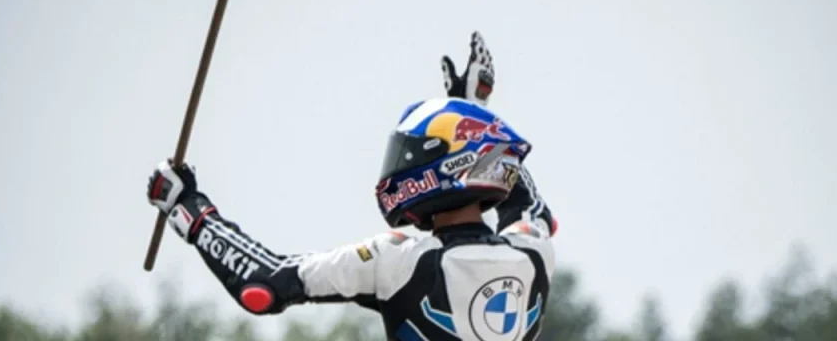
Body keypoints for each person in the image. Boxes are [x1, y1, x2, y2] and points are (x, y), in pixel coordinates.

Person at [146, 32, 558, 340]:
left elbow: (265, 283)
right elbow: (528, 205)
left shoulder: (397, 262)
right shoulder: (534, 253)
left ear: (444, 163)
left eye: (409, 153)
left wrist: (189, 208)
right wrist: (471, 112)